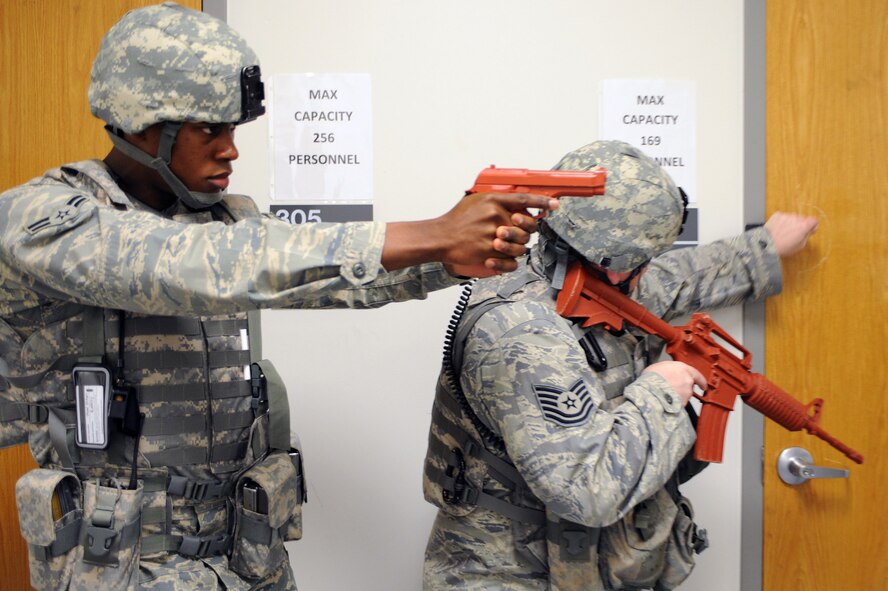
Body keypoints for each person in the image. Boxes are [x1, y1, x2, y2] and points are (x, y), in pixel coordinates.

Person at [0, 3, 559, 590]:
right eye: (208, 129)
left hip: (243, 557)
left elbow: (323, 277)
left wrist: (444, 258)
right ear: (144, 124)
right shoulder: (47, 220)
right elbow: (189, 267)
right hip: (122, 566)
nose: (230, 150)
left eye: (233, 130)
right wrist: (434, 232)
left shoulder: (221, 222)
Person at [422, 140, 818, 590]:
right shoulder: (523, 332)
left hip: (577, 564)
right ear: (614, 266)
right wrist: (660, 393)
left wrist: (762, 248)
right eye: (643, 260)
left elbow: (676, 279)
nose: (649, 271)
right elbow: (587, 492)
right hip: (509, 574)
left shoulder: (583, 280)